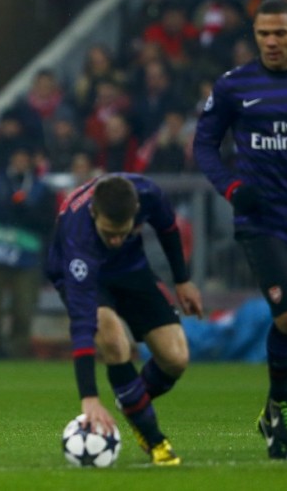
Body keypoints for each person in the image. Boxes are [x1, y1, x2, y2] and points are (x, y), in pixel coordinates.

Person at [193, 0, 287, 460]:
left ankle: (274, 410)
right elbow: (204, 145)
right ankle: (282, 406)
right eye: (263, 33)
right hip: (262, 221)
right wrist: (231, 187)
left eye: (279, 33)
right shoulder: (233, 86)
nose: (270, 41)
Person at [45, 174, 203, 466]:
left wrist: (183, 280)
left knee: (176, 358)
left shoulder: (148, 194)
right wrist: (89, 396)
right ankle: (154, 439)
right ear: (94, 213)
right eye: (109, 233)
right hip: (81, 275)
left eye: (122, 232)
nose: (116, 239)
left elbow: (168, 228)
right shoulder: (77, 236)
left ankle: (131, 400)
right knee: (113, 340)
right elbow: (82, 325)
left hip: (131, 269)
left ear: (135, 213)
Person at [0, 141, 55, 358]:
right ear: (11, 160)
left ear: (30, 162)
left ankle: (18, 351)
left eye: (24, 158)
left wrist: (26, 213)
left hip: (27, 258)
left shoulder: (41, 189)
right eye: (17, 157)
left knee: (23, 310)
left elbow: (48, 223)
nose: (20, 162)